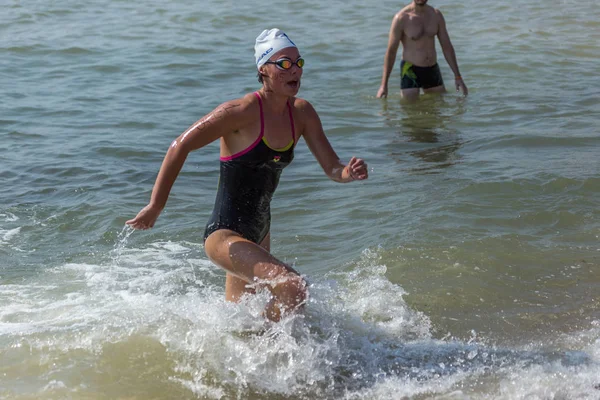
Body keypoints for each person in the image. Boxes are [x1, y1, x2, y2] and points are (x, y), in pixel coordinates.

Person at [126, 29, 368, 322]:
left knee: (241, 322)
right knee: (294, 286)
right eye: (284, 64)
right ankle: (286, 361)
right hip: (224, 234)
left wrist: (347, 173)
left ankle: (252, 361)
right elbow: (180, 145)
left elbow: (332, 167)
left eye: (298, 63)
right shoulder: (240, 112)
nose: (295, 71)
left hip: (260, 233)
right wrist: (155, 206)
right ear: (263, 69)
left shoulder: (302, 113)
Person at [376, 0, 468, 101]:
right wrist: (383, 85)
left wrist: (458, 76)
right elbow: (391, 51)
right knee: (410, 111)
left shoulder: (436, 15)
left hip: (431, 68)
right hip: (410, 69)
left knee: (438, 108)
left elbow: (447, 47)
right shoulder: (401, 18)